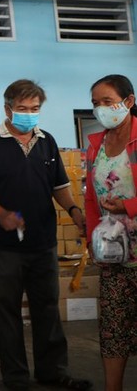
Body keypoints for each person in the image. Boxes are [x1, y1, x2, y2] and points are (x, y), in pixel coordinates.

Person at [0, 79, 92, 391]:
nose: (29, 114)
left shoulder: (46, 141)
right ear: (8, 108)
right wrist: (0, 213)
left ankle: (52, 371)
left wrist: (75, 212)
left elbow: (59, 187)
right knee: (6, 310)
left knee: (47, 307)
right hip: (4, 245)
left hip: (43, 241)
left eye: (35, 109)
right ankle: (16, 377)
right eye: (22, 109)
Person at [85, 74, 137, 391]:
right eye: (95, 104)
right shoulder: (96, 146)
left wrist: (128, 207)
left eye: (107, 102)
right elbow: (92, 197)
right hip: (114, 254)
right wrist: (93, 240)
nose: (101, 109)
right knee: (113, 329)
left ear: (128, 102)